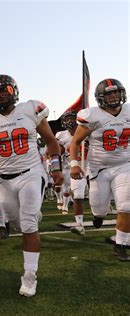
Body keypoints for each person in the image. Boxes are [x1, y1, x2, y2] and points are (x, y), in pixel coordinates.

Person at [0, 74, 63, 297]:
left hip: (31, 173)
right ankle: (31, 216)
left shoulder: (30, 109)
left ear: (14, 91)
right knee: (17, 224)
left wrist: (57, 167)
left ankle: (30, 277)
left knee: (29, 225)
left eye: (3, 90)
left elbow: (51, 141)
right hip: (4, 178)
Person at [70, 78, 130, 261]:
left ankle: (120, 244)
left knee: (126, 206)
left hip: (124, 165)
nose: (113, 96)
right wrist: (74, 164)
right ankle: (98, 216)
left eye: (116, 92)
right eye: (109, 93)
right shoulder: (92, 116)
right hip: (99, 169)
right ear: (100, 97)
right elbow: (75, 142)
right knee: (99, 208)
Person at [56, 111, 88, 235]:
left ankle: (100, 213)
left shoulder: (86, 129)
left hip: (92, 165)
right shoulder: (61, 135)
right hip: (73, 167)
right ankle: (79, 224)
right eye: (66, 118)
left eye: (71, 118)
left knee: (98, 200)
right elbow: (58, 152)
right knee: (78, 195)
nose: (69, 121)